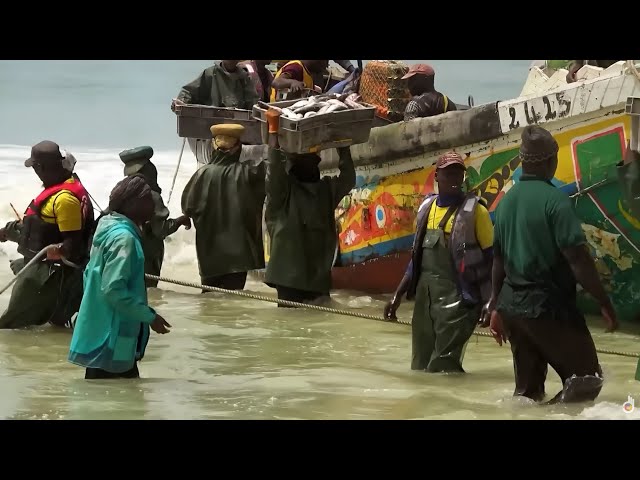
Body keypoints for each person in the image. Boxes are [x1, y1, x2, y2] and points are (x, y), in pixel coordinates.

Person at [482, 125, 618, 403]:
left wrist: (495, 305)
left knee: (526, 395)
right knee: (588, 380)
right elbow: (578, 259)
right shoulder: (556, 201)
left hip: (512, 310)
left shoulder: (505, 204)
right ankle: (551, 414)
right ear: (549, 162)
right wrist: (603, 301)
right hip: (548, 308)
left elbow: (498, 260)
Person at [383, 152, 494, 373]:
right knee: (420, 365)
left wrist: (491, 302)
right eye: (448, 174)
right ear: (436, 176)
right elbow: (416, 260)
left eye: (458, 174)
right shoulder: (426, 209)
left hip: (460, 302)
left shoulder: (476, 212)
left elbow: (493, 260)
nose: (453, 179)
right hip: (426, 302)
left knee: (444, 366)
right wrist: (397, 295)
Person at [68, 176, 172, 380]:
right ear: (134, 204)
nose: (154, 206)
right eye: (149, 200)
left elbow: (90, 275)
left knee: (106, 397)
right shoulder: (124, 239)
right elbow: (114, 290)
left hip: (97, 331)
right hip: (113, 335)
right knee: (123, 401)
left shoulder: (106, 228)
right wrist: (150, 316)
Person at [0, 141, 94, 329]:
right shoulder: (63, 186)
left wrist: (60, 249)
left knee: (8, 328)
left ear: (40, 167)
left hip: (49, 276)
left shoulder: (64, 199)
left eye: (35, 166)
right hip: (44, 267)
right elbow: (46, 229)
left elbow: (72, 244)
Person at [263, 112, 355, 304]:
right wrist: (273, 133)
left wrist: (343, 144)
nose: (316, 165)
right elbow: (274, 170)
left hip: (316, 278)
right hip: (289, 279)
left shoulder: (326, 190)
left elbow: (348, 178)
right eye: (311, 161)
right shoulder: (283, 191)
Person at [181, 124, 266, 291]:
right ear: (238, 147)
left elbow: (188, 207)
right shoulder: (249, 173)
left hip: (209, 256)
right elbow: (275, 173)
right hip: (239, 258)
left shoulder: (201, 175)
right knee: (232, 305)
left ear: (214, 146)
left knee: (210, 303)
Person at [119, 146, 191, 288]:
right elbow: (161, 230)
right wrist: (180, 220)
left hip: (123, 255)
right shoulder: (152, 196)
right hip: (146, 258)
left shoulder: (120, 193)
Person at [171, 60, 259, 111]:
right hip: (211, 125)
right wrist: (179, 103)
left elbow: (253, 104)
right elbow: (188, 92)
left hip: (237, 126)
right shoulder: (210, 74)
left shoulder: (244, 78)